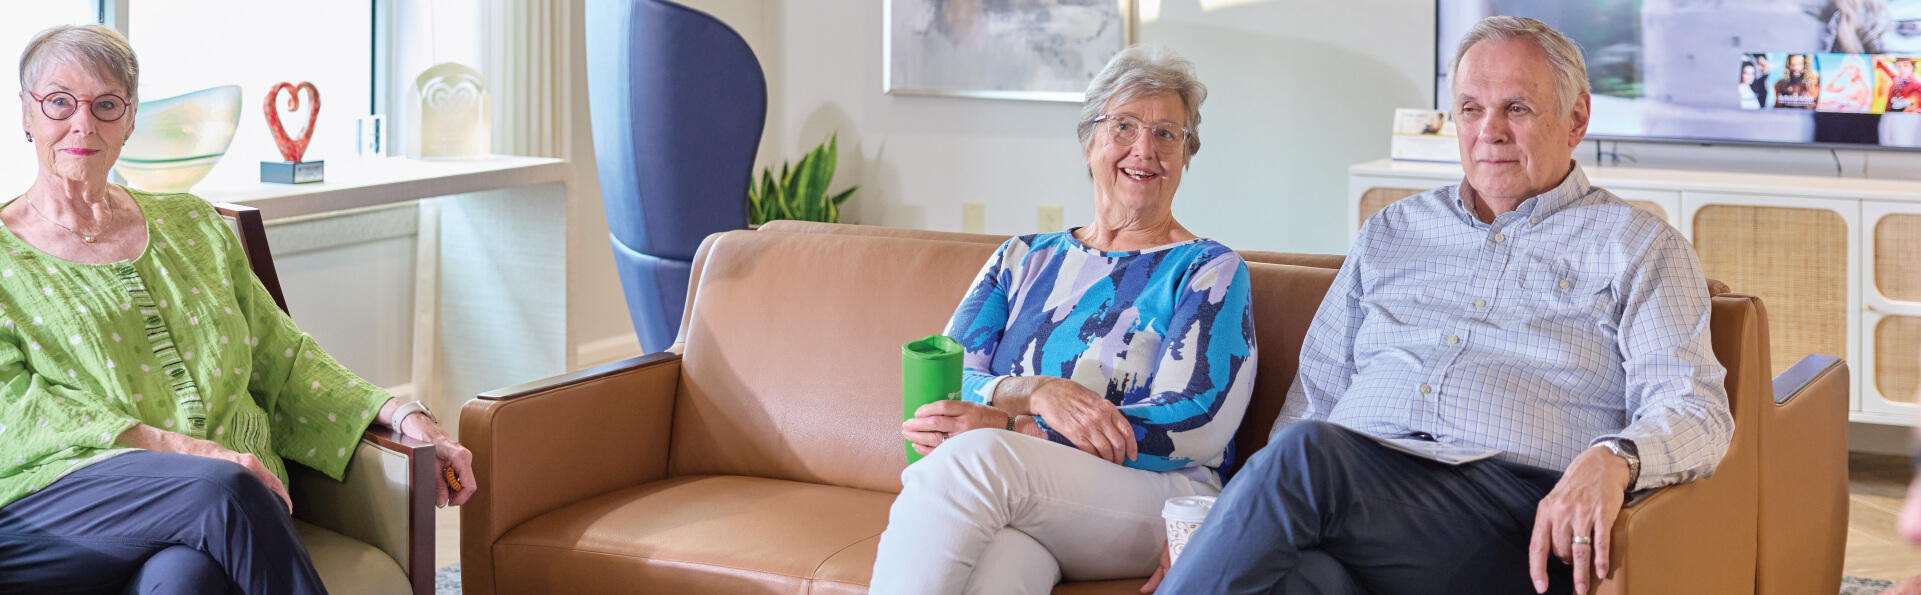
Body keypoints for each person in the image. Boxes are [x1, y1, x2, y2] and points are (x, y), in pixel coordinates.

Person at [1155, 16, 1732, 595]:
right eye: (1471, 109)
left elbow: (1696, 408)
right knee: (1303, 579)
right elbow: (1315, 397)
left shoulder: (1636, 245)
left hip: (1508, 517)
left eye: (1517, 109)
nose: (1490, 132)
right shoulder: (1392, 231)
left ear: (1576, 118)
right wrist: (1231, 524)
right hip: (1358, 511)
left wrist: (1613, 459)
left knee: (1310, 457)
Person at [0, 25, 476, 594]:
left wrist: (404, 415)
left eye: (106, 105)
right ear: (27, 114)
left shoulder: (193, 225)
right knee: (223, 491)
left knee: (189, 581)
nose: (83, 123)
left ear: (129, 122)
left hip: (214, 515)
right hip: (58, 509)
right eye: (58, 102)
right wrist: (197, 456)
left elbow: (284, 359)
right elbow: (19, 415)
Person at [868, 45, 1257, 595]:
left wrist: (1023, 428)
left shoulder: (1208, 270)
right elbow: (949, 380)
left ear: (1187, 154)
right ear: (1087, 142)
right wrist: (1032, 391)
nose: (1144, 149)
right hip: (1039, 503)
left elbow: (1197, 423)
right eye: (1123, 126)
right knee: (996, 566)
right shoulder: (1020, 258)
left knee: (978, 461)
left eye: (1168, 134)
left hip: (1156, 497)